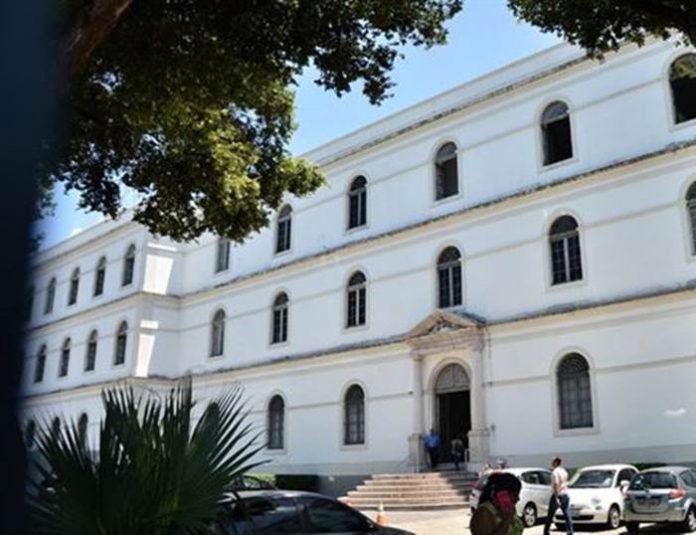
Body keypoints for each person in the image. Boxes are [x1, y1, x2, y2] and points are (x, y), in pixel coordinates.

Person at [543, 456, 573, 535]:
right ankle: (570, 532)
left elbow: (556, 484)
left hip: (558, 494)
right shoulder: (564, 471)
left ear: (556, 462)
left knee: (550, 514)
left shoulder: (555, 472)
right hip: (565, 494)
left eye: (553, 461)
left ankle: (546, 531)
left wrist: (556, 497)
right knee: (567, 515)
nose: (551, 463)